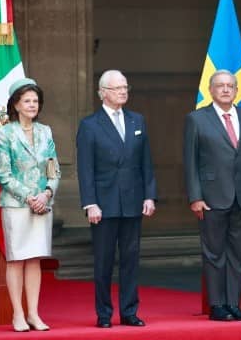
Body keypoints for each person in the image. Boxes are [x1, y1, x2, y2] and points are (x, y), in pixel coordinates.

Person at [76, 69, 157, 328]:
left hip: (133, 201)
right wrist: (90, 203)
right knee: (104, 261)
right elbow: (85, 168)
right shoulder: (90, 125)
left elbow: (146, 163)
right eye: (117, 88)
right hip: (104, 203)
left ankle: (130, 311)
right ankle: (103, 314)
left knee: (131, 259)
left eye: (125, 87)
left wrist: (150, 195)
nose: (123, 91)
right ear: (103, 93)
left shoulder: (137, 121)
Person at [183, 69, 241, 322]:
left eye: (230, 85)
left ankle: (234, 304)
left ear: (237, 90)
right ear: (211, 90)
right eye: (220, 85)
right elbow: (190, 161)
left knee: (238, 255)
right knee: (214, 253)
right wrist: (195, 197)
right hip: (211, 197)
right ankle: (217, 305)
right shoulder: (197, 119)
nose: (226, 89)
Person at [0, 77, 60, 332]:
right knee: (16, 259)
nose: (33, 105)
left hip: (43, 204)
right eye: (27, 101)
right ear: (16, 104)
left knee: (35, 259)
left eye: (35, 101)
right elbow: (4, 175)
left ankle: (33, 313)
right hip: (16, 205)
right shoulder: (4, 133)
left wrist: (46, 194)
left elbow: (53, 169)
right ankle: (17, 314)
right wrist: (29, 197)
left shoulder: (46, 131)